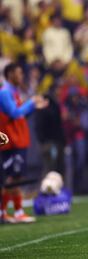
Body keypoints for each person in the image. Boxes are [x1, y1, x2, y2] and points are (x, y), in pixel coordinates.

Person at [0, 63, 48, 223]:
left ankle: (15, 212)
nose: (21, 76)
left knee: (16, 177)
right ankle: (5, 213)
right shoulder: (5, 93)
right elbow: (14, 113)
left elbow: (19, 116)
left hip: (18, 140)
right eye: (19, 73)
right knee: (11, 178)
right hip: (11, 141)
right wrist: (32, 102)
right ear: (10, 74)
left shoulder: (13, 92)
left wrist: (34, 107)